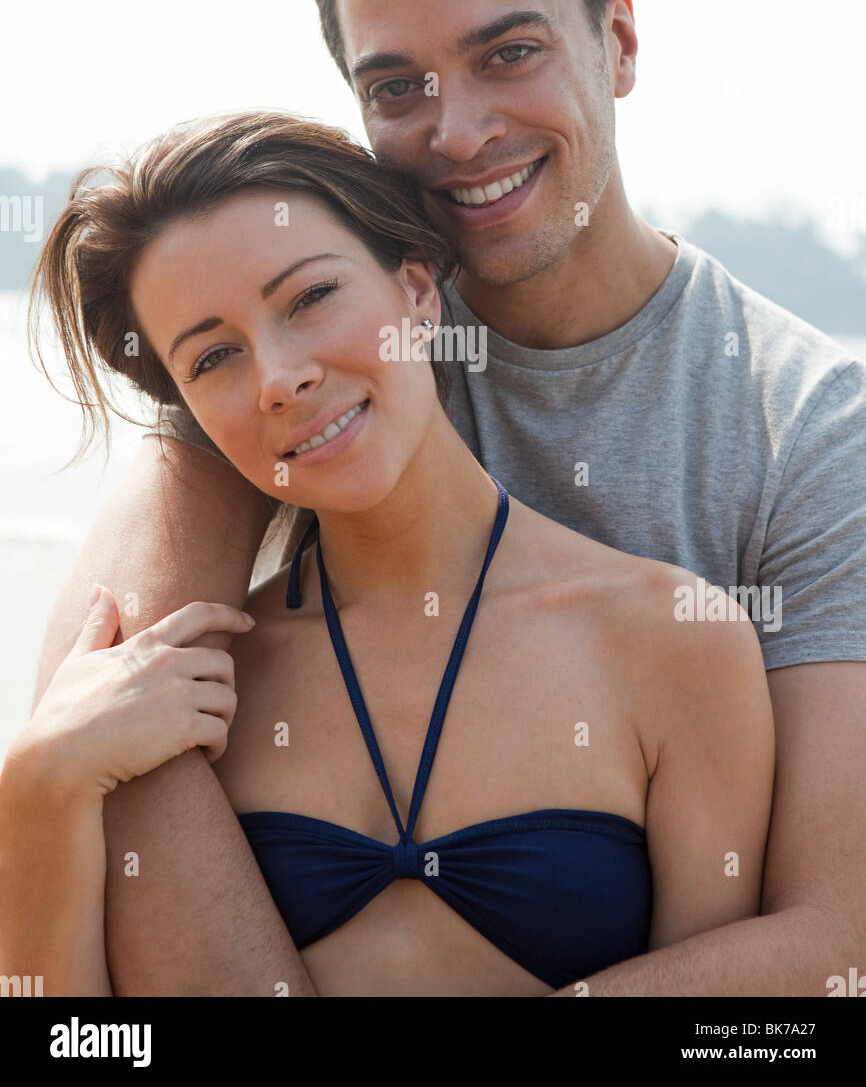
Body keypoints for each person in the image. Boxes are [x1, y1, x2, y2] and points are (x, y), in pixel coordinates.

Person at [28, 0, 866, 997]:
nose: (456, 128)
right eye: (396, 86)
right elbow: (106, 711)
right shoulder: (311, 347)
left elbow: (836, 944)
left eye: (507, 53)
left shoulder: (807, 430)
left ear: (616, 40)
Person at [3, 112, 773, 997]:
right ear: (188, 410)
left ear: (416, 292)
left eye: (309, 298)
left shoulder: (678, 643)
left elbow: (734, 1033)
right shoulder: (183, 691)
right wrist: (38, 787)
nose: (279, 377)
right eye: (214, 355)